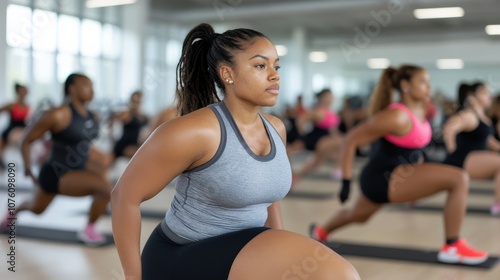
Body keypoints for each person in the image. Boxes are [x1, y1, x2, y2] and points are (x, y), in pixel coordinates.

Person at [111, 23, 359, 280]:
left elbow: (270, 198)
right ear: (227, 74)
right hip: (181, 257)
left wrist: (279, 243)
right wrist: (133, 277)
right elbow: (124, 196)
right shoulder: (195, 131)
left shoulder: (276, 128)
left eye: (277, 66)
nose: (274, 75)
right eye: (261, 66)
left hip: (241, 251)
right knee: (338, 275)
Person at [310, 65, 488, 265]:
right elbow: (350, 140)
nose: (428, 87)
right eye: (423, 82)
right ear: (405, 85)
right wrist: (345, 181)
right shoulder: (396, 115)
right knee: (459, 178)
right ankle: (452, 246)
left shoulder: (419, 110)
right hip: (383, 177)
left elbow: (414, 147)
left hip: (397, 175)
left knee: (358, 215)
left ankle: (320, 231)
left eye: (428, 82)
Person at [0, 73, 112, 246]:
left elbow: (83, 145)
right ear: (72, 88)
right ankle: (88, 231)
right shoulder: (58, 114)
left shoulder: (93, 116)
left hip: (77, 170)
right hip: (56, 173)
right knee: (104, 189)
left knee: (37, 208)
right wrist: (28, 169)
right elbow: (26, 139)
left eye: (92, 86)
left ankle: (13, 211)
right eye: (86, 85)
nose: (91, 90)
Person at [443, 82, 500, 215]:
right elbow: (449, 128)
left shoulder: (483, 117)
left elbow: (489, 141)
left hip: (477, 158)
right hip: (464, 158)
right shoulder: (469, 115)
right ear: (472, 96)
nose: (489, 96)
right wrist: (452, 151)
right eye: (484, 92)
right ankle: (498, 205)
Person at [289, 89, 344, 186]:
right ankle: (337, 167)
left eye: (331, 97)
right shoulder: (318, 111)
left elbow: (333, 131)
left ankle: (296, 176)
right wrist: (302, 135)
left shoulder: (331, 113)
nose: (329, 99)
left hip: (327, 140)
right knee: (339, 143)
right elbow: (301, 120)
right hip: (317, 139)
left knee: (316, 163)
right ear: (321, 98)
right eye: (327, 97)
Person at [111, 90, 149, 160]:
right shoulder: (126, 114)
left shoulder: (145, 116)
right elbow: (113, 117)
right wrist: (112, 139)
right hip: (124, 146)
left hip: (136, 145)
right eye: (134, 100)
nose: (136, 102)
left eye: (139, 99)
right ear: (131, 100)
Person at [0, 83, 30, 168]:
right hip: (12, 126)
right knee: (2, 140)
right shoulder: (12, 105)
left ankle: (26, 163)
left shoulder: (28, 106)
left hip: (23, 127)